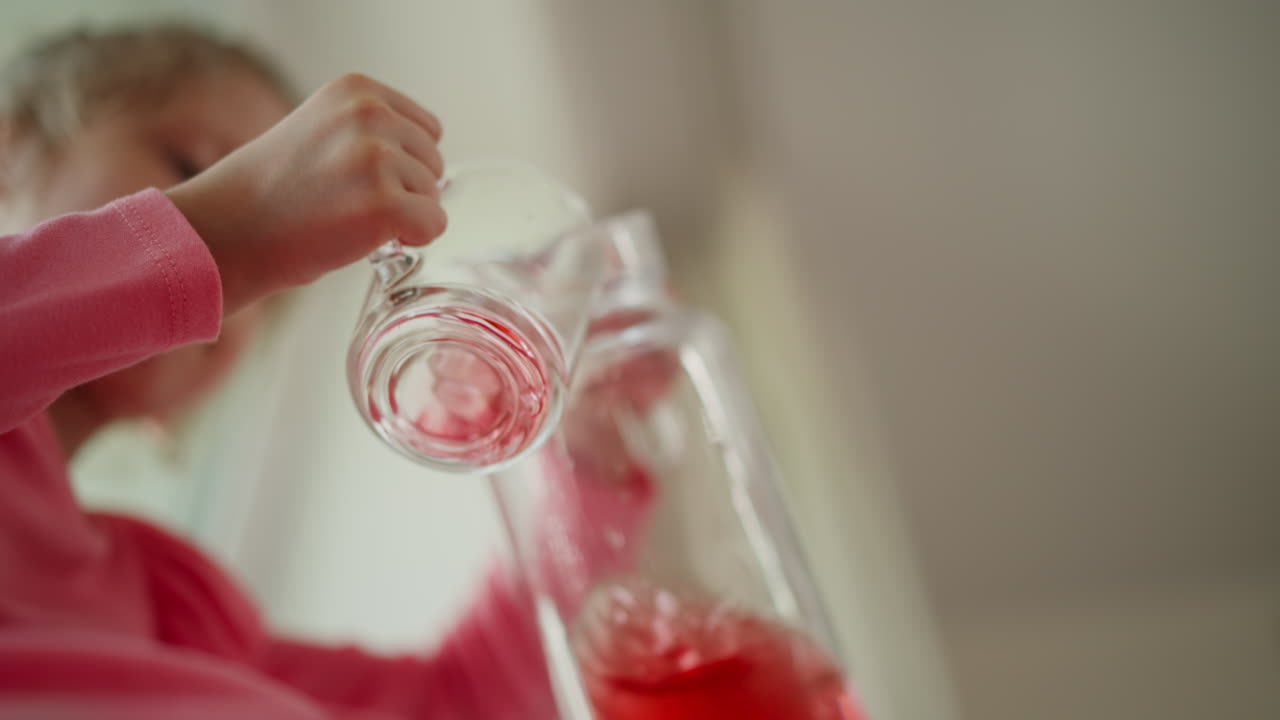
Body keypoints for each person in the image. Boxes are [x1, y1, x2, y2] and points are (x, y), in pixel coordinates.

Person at [0, 24, 653, 719]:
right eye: (191, 168)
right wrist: (235, 226)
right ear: (10, 154)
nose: (233, 300)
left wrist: (584, 452)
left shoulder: (172, 606)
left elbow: (466, 702)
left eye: (268, 294)